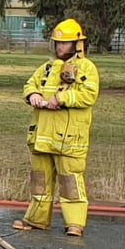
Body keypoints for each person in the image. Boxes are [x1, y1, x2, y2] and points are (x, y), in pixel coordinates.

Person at [14, 18, 98, 236]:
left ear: (77, 44)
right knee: (40, 181)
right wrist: (32, 94)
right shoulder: (47, 68)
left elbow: (89, 95)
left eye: (65, 42)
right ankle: (37, 220)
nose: (60, 47)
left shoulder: (86, 68)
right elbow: (30, 84)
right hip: (43, 137)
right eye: (58, 43)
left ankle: (75, 224)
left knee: (70, 182)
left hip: (69, 140)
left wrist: (62, 98)